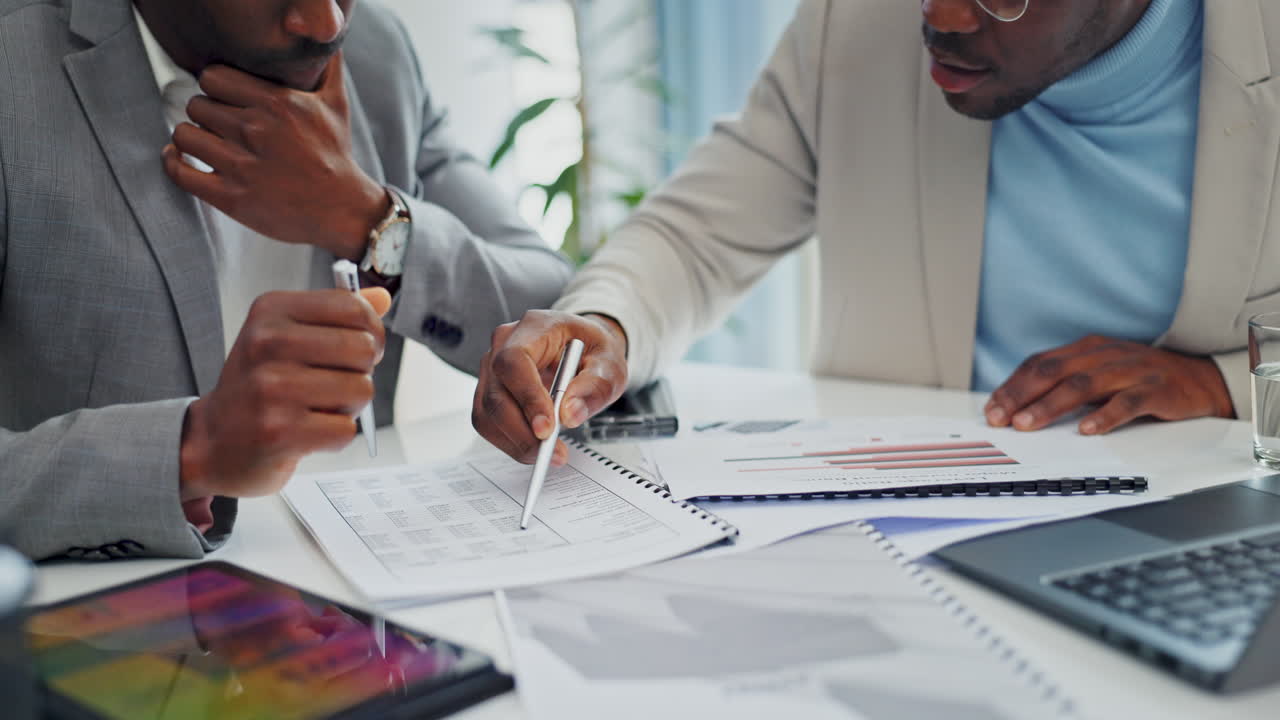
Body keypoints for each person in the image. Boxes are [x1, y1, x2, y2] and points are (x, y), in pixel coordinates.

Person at [473, 0, 1278, 465]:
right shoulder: (860, 18)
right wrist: (605, 326)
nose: (941, 15)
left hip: (1193, 541)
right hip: (896, 533)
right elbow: (696, 237)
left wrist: (1224, 385)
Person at [0, 0, 572, 560]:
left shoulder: (375, 52)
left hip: (364, 601)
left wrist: (369, 220)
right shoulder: (13, 67)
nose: (327, 23)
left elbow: (558, 309)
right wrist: (195, 449)